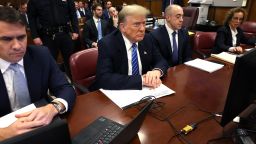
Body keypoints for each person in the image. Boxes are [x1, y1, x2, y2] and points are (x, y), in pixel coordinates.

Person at [0, 7, 76, 141]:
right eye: (7, 39)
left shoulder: (41, 55)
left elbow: (66, 88)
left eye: (21, 37)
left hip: (43, 128)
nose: (17, 46)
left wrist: (53, 108)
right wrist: (4, 133)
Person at [90, 4, 168, 90]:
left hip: (146, 92)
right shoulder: (107, 44)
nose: (142, 29)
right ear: (123, 27)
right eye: (136, 24)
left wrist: (157, 71)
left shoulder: (147, 38)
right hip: (118, 94)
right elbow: (104, 78)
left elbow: (161, 61)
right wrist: (142, 80)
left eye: (144, 23)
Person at [27, 0, 79, 77]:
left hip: (65, 34)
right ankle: (53, 86)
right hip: (48, 36)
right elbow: (31, 18)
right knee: (49, 64)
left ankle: (75, 85)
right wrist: (35, 36)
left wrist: (76, 30)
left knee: (70, 62)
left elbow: (73, 14)